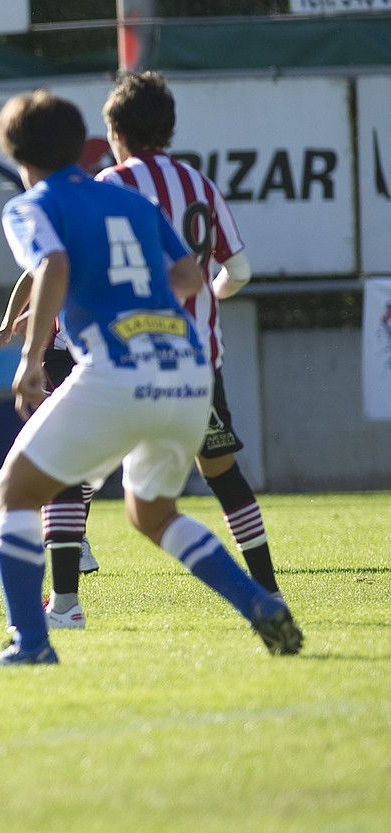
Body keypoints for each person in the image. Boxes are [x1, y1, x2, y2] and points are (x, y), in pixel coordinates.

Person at [0, 90, 299, 668]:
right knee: (152, 512)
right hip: (187, 368)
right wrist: (141, 307)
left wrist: (29, 359)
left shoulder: (29, 206)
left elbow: (52, 264)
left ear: (15, 153)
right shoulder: (132, 204)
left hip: (117, 372)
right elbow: (191, 275)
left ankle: (33, 642)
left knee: (15, 491)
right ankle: (258, 603)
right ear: (80, 146)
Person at [95, 71, 282, 600]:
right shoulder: (198, 184)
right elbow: (239, 269)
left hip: (128, 361)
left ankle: (62, 599)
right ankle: (266, 588)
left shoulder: (111, 185)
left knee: (78, 468)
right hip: (198, 361)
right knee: (223, 474)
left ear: (117, 132)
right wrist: (211, 296)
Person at [0, 270, 100, 631]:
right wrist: (11, 324)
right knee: (68, 456)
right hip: (64, 361)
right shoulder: (78, 227)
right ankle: (61, 569)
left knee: (84, 459)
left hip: (105, 363)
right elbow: (40, 270)